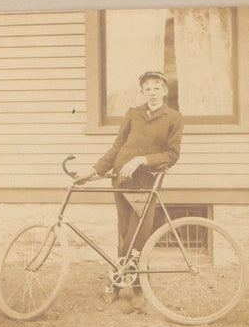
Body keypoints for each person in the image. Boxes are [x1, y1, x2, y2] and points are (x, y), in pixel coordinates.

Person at [73, 70, 183, 310]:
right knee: (125, 233)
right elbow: (117, 147)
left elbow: (172, 155)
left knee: (139, 236)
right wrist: (92, 171)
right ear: (142, 92)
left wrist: (142, 160)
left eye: (157, 87)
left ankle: (133, 285)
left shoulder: (173, 118)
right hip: (121, 182)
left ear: (165, 91)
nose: (152, 92)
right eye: (147, 88)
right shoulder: (133, 114)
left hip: (146, 186)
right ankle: (123, 283)